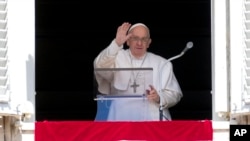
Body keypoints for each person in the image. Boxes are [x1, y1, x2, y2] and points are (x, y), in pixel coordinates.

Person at [93, 22, 182, 121]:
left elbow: (174, 94)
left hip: (151, 118)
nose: (139, 43)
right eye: (135, 38)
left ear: (149, 43)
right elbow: (99, 66)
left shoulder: (163, 63)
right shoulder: (116, 57)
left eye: (144, 39)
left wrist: (159, 97)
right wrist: (116, 44)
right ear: (128, 41)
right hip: (120, 116)